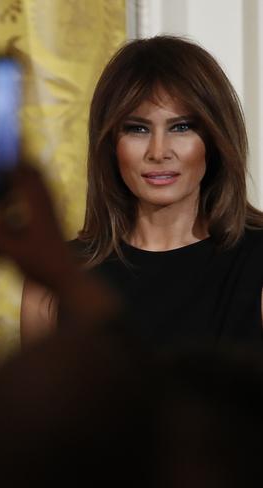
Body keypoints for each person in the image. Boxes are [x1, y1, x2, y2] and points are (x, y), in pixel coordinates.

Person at [21, 35, 263, 349]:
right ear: (110, 144)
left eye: (181, 127)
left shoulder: (255, 263)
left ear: (215, 139)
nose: (159, 151)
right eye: (137, 128)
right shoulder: (56, 280)